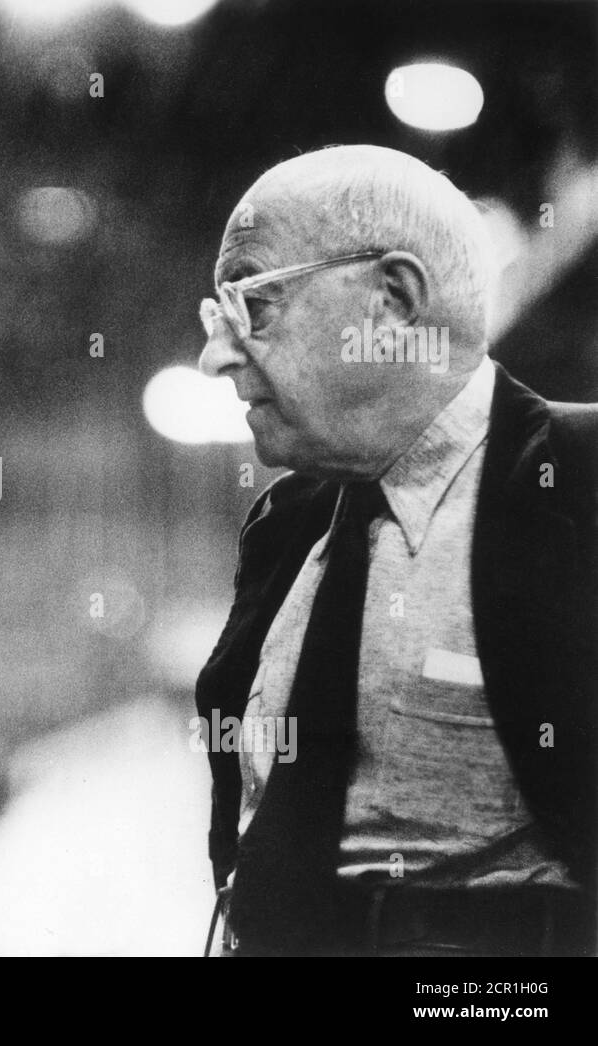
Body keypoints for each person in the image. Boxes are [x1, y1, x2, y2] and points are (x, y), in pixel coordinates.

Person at [195, 145, 597, 957]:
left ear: (394, 301)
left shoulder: (583, 481)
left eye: (255, 308)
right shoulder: (286, 523)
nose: (217, 357)